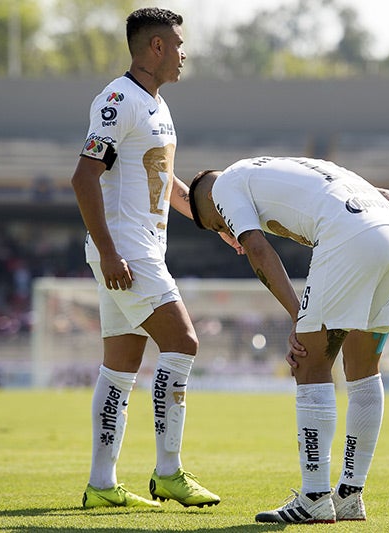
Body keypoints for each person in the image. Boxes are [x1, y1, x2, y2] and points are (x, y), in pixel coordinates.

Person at [188, 156, 389, 523]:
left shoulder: (225, 187)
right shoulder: (275, 167)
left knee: (308, 362)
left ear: (210, 208)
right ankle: (349, 495)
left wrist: (300, 316)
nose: (225, 231)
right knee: (363, 370)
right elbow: (388, 193)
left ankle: (314, 496)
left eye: (217, 225)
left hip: (352, 237)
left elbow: (258, 250)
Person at [70, 7, 230, 510]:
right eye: (179, 44)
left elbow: (166, 182)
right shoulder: (118, 99)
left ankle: (101, 484)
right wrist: (111, 251)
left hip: (137, 249)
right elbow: (83, 177)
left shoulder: (156, 105)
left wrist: (215, 223)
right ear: (156, 47)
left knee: (120, 368)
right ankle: (168, 472)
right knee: (182, 341)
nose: (185, 54)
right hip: (128, 251)